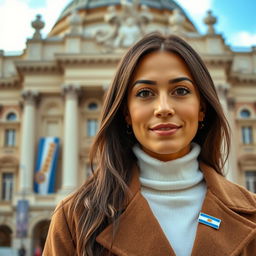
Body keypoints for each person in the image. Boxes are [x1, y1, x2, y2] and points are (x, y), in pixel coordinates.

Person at [43, 33, 256, 256]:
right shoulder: (74, 219)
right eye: (145, 93)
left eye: (180, 91)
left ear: (202, 107)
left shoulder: (251, 213)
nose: (163, 108)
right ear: (126, 112)